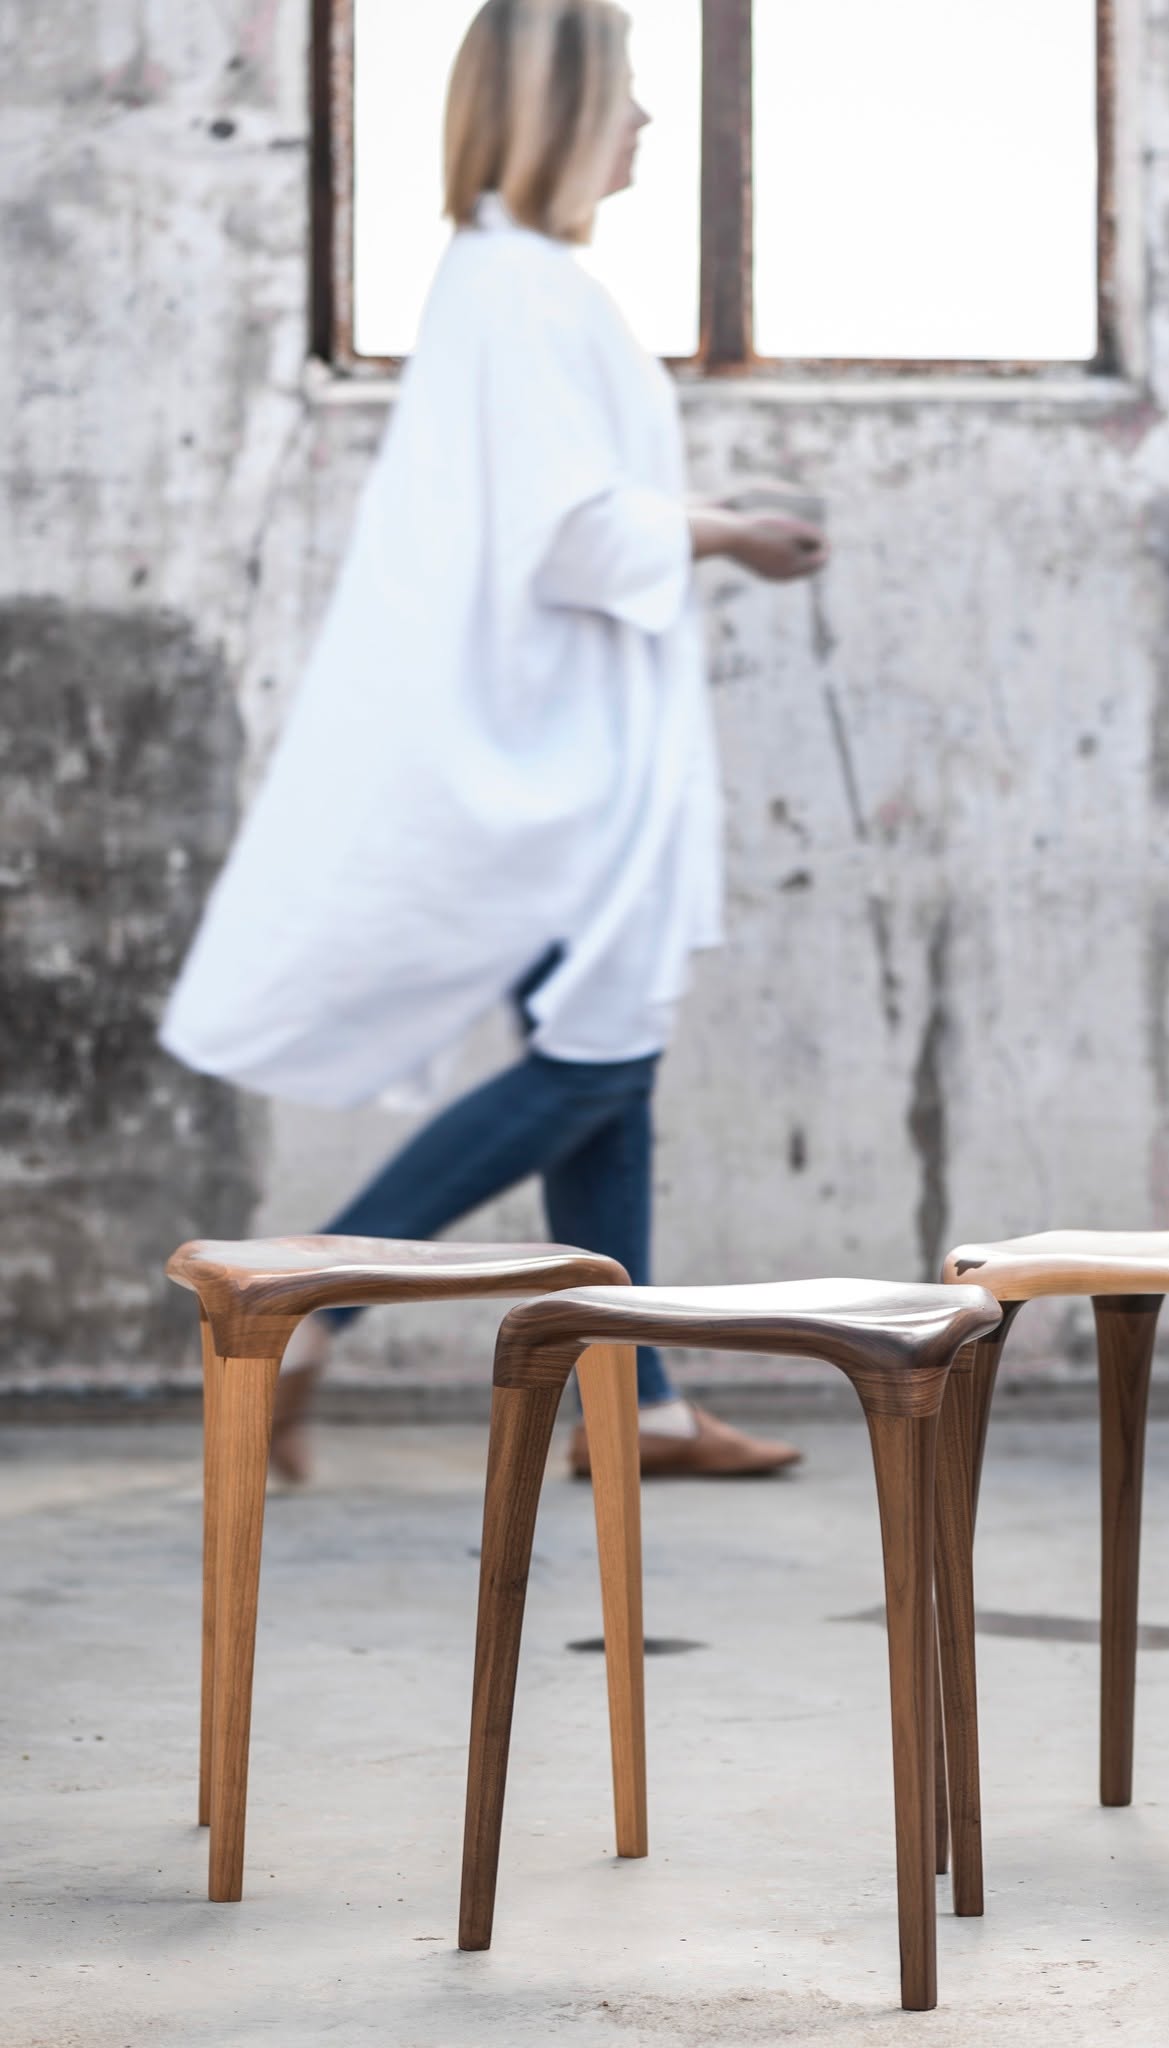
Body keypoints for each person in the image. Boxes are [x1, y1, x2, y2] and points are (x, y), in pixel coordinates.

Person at [161, 0, 828, 1482]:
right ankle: (308, 1296)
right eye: (629, 90)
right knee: (597, 1062)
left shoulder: (511, 280)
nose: (647, 118)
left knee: (608, 1072)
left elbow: (560, 510)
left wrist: (697, 521)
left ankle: (642, 1411)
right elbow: (567, 535)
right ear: (564, 103)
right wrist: (728, 533)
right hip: (560, 760)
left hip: (559, 736)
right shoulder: (521, 290)